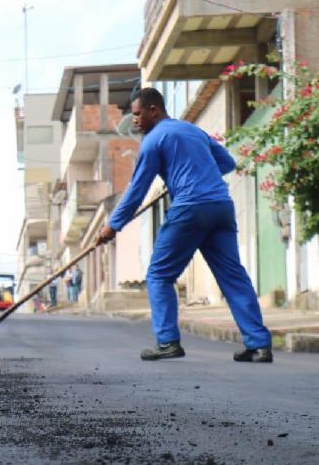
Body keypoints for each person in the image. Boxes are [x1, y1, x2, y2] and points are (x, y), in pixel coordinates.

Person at [96, 88, 272, 363]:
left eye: (138, 115)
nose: (136, 121)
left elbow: (137, 190)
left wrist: (112, 226)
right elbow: (225, 162)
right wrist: (194, 172)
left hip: (190, 209)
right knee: (233, 276)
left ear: (154, 109)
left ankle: (167, 342)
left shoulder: (154, 140)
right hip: (220, 206)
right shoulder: (193, 131)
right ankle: (259, 345)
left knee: (158, 275)